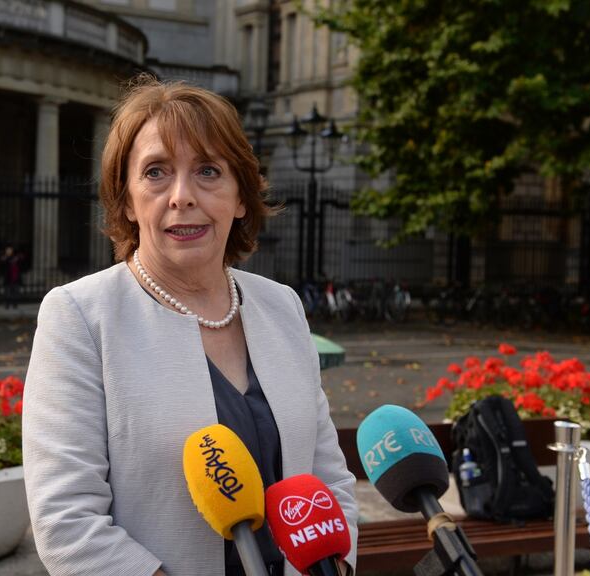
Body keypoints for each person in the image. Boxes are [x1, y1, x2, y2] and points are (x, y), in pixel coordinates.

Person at [23, 77, 359, 576]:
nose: (182, 196)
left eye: (208, 171)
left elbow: (331, 482)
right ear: (128, 201)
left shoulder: (282, 306)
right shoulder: (79, 316)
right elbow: (67, 523)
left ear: (241, 197)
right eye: (156, 172)